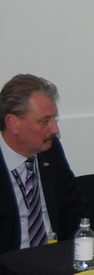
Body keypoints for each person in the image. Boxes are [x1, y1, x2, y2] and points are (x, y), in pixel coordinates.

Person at [0, 74, 87, 255]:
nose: (55, 129)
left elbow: (75, 207)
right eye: (45, 121)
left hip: (54, 259)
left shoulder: (50, 149)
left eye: (54, 118)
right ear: (12, 123)